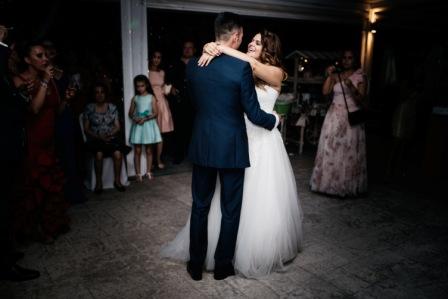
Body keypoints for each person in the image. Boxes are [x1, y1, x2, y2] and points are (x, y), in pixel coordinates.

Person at [162, 12, 285, 281]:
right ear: (237, 36)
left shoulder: (194, 65)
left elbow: (194, 103)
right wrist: (275, 119)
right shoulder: (240, 68)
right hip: (232, 145)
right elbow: (253, 113)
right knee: (230, 209)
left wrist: (213, 47)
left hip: (203, 143)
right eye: (245, 37)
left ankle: (195, 265)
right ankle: (222, 266)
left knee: (200, 205)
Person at [13, 40, 71, 244]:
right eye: (39, 55)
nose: (45, 59)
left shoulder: (51, 79)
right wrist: (45, 81)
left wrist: (67, 98)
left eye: (45, 55)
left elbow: (57, 110)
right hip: (33, 143)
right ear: (27, 59)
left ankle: (50, 225)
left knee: (50, 187)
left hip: (50, 141)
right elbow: (35, 109)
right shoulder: (20, 81)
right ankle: (34, 229)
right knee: (34, 187)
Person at [0, 25, 40, 281]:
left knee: (8, 203)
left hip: (10, 142)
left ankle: (6, 253)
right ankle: (5, 265)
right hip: (3, 145)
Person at [310, 50, 368, 197]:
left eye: (350, 57)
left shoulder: (360, 75)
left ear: (354, 60)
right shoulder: (336, 75)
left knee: (347, 152)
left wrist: (351, 86)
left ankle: (345, 186)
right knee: (331, 149)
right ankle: (327, 185)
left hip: (350, 118)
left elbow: (361, 99)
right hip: (334, 117)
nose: (347, 60)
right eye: (345, 57)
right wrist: (329, 75)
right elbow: (325, 92)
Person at [83, 82, 131, 193]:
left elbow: (117, 126)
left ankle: (117, 181)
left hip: (110, 138)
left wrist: (110, 134)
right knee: (99, 154)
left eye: (102, 92)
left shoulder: (112, 107)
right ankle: (99, 183)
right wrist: (99, 136)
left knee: (118, 154)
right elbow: (86, 129)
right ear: (94, 95)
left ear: (105, 94)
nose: (100, 95)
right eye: (97, 92)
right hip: (96, 138)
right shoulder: (89, 107)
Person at [165, 40, 196, 164]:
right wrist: (170, 88)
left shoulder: (198, 63)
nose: (187, 50)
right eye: (185, 47)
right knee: (178, 129)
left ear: (194, 50)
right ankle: (179, 154)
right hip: (178, 102)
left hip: (194, 101)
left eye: (190, 47)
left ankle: (193, 156)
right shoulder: (174, 64)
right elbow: (166, 81)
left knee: (193, 128)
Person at [128, 75, 162, 181]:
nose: (140, 88)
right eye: (138, 86)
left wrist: (145, 118)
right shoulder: (135, 98)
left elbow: (156, 113)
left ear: (146, 85)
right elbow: (130, 113)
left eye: (142, 86)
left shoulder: (151, 97)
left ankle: (148, 171)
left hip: (148, 125)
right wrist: (135, 118)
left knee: (149, 150)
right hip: (138, 126)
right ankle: (138, 173)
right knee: (137, 150)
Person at [148, 50, 174, 169]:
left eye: (159, 57)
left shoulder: (162, 72)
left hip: (162, 102)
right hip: (150, 102)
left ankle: (158, 159)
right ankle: (150, 161)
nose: (156, 59)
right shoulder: (146, 71)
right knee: (150, 133)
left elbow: (163, 89)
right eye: (154, 57)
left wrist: (169, 89)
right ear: (150, 58)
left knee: (160, 134)